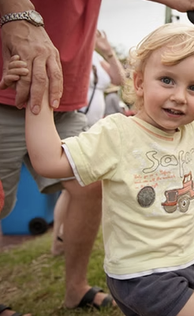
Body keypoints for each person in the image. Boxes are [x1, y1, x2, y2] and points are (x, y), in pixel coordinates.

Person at [0, 0, 194, 312]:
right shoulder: (117, 132)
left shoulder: (190, 128)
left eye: (193, 88)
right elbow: (49, 160)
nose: (179, 96)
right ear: (140, 83)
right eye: (167, 80)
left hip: (185, 262)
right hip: (142, 274)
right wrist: (37, 89)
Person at [51, 29, 127, 256]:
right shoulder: (66, 52)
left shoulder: (97, 59)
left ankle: (60, 239)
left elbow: (120, 80)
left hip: (93, 130)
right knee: (74, 186)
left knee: (73, 189)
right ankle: (60, 237)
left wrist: (108, 51)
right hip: (72, 128)